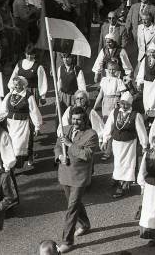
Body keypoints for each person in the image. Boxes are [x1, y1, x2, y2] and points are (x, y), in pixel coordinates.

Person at [54, 106, 99, 254]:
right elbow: (57, 147)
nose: (76, 122)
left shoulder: (91, 134)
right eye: (73, 119)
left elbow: (87, 155)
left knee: (72, 208)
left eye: (79, 119)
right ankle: (85, 224)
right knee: (75, 203)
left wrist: (69, 145)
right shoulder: (66, 129)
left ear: (85, 119)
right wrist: (60, 156)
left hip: (79, 177)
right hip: (65, 174)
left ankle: (67, 241)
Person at [102, 92, 148, 198]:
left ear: (131, 104)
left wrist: (144, 145)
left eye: (127, 104)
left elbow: (141, 131)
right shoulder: (115, 112)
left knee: (128, 164)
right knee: (118, 162)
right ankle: (117, 178)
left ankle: (124, 185)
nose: (124, 106)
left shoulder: (135, 115)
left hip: (129, 144)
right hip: (117, 143)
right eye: (122, 103)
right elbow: (109, 126)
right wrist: (105, 140)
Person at [0, 76, 43, 168]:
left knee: (20, 144)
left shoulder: (28, 96)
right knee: (11, 145)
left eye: (17, 85)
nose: (15, 87)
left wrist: (37, 126)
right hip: (10, 124)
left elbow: (34, 111)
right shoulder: (10, 95)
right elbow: (3, 107)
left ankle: (21, 161)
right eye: (14, 85)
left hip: (23, 124)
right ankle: (11, 165)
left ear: (23, 85)